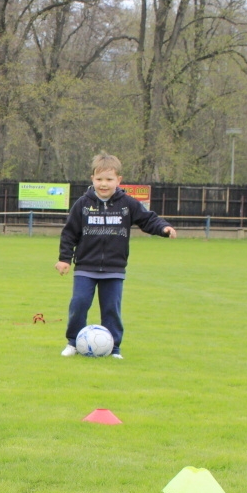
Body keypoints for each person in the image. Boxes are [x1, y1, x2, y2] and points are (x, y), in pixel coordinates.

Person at [56, 152, 176, 359]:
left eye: (109, 179)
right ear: (92, 179)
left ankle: (114, 348)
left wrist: (163, 228)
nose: (104, 184)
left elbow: (148, 220)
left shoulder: (127, 204)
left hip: (114, 268)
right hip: (86, 267)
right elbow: (69, 233)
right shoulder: (82, 204)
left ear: (118, 180)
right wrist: (64, 259)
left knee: (111, 309)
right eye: (99, 179)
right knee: (79, 304)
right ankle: (73, 342)